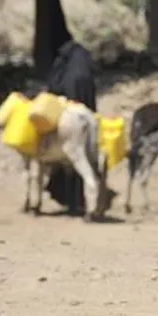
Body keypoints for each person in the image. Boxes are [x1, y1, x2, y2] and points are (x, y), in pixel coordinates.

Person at [44, 39, 98, 215]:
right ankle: (85, 202)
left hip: (65, 121)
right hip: (87, 119)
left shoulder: (64, 68)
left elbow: (54, 88)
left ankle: (68, 199)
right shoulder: (85, 72)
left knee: (65, 160)